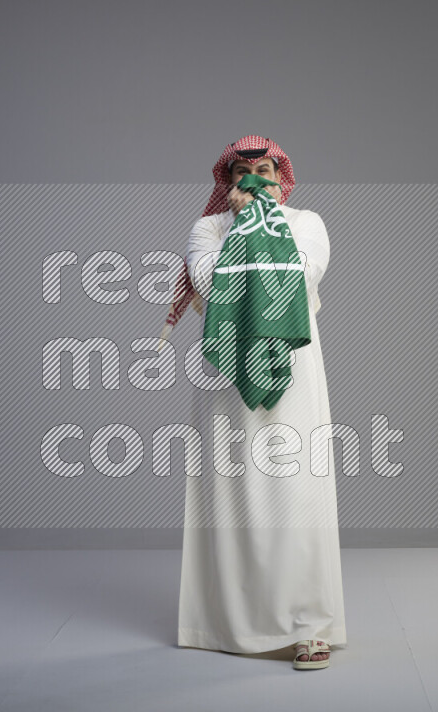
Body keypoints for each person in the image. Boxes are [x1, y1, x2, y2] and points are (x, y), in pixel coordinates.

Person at [162, 135, 347, 670]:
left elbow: (299, 276)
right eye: (243, 172)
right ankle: (230, 622)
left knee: (297, 488)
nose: (254, 179)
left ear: (280, 177)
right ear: (228, 180)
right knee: (231, 492)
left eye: (264, 170)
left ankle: (308, 625)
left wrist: (259, 222)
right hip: (224, 375)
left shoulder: (307, 223)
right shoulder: (207, 229)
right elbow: (209, 283)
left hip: (292, 369)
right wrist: (244, 223)